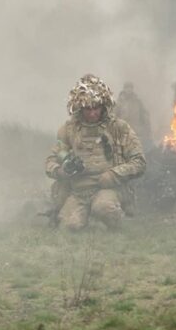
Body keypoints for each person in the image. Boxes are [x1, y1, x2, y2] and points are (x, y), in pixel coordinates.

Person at [45, 74, 146, 231]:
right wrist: (61, 171)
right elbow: (51, 160)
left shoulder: (118, 128)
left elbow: (139, 162)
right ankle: (86, 217)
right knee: (69, 226)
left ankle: (119, 218)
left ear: (104, 106)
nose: (92, 113)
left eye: (96, 108)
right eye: (88, 109)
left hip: (109, 188)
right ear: (79, 107)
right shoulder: (68, 130)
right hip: (79, 191)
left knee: (104, 208)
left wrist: (113, 175)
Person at [115, 81, 153, 150]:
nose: (129, 89)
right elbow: (114, 116)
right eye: (127, 87)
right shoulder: (119, 102)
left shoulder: (137, 102)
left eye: (130, 87)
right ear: (124, 89)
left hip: (136, 131)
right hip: (123, 131)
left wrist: (147, 129)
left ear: (132, 89)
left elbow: (144, 116)